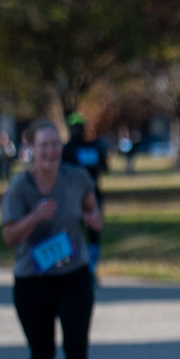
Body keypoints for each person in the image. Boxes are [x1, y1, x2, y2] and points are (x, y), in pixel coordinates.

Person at [1, 119, 102, 359]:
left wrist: (93, 219)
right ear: (30, 149)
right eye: (43, 145)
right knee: (42, 351)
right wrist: (34, 217)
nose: (50, 151)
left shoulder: (77, 178)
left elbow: (93, 211)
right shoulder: (20, 187)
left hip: (74, 276)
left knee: (76, 346)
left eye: (55, 144)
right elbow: (8, 236)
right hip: (32, 281)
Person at [61, 115, 108, 281]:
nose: (77, 130)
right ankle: (73, 268)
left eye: (80, 126)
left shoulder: (93, 146)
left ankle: (91, 269)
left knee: (94, 232)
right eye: (74, 127)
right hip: (72, 198)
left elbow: (104, 166)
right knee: (72, 231)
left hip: (93, 195)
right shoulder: (66, 150)